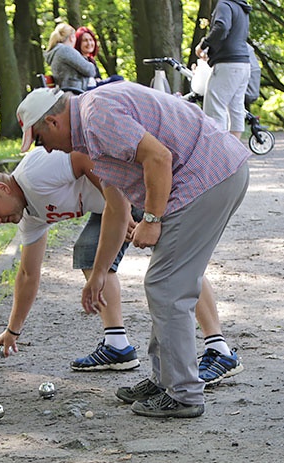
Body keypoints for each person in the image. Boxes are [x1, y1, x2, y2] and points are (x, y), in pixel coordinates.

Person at [16, 84, 250, 418]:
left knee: (166, 285)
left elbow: (160, 157)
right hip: (211, 173)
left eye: (40, 140)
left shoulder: (96, 116)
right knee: (164, 282)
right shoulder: (90, 133)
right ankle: (165, 380)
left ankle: (183, 394)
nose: (47, 150)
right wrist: (98, 273)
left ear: (53, 122)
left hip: (209, 175)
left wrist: (152, 220)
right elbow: (116, 209)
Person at [0, 147, 243, 383]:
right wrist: (12, 330)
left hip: (142, 186)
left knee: (178, 265)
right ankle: (117, 345)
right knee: (89, 252)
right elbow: (28, 274)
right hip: (111, 204)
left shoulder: (34, 171)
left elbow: (85, 157)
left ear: (3, 188)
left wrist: (119, 210)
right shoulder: (30, 215)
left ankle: (219, 349)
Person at [195, 0, 252, 137]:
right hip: (243, 64)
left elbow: (221, 27)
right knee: (236, 108)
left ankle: (218, 151)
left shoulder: (224, 4)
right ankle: (233, 152)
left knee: (215, 108)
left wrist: (203, 45)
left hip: (228, 64)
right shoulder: (241, 7)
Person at [45, 23, 97, 92]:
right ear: (71, 38)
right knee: (114, 79)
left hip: (71, 89)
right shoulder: (65, 50)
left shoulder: (57, 51)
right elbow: (90, 70)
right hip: (77, 91)